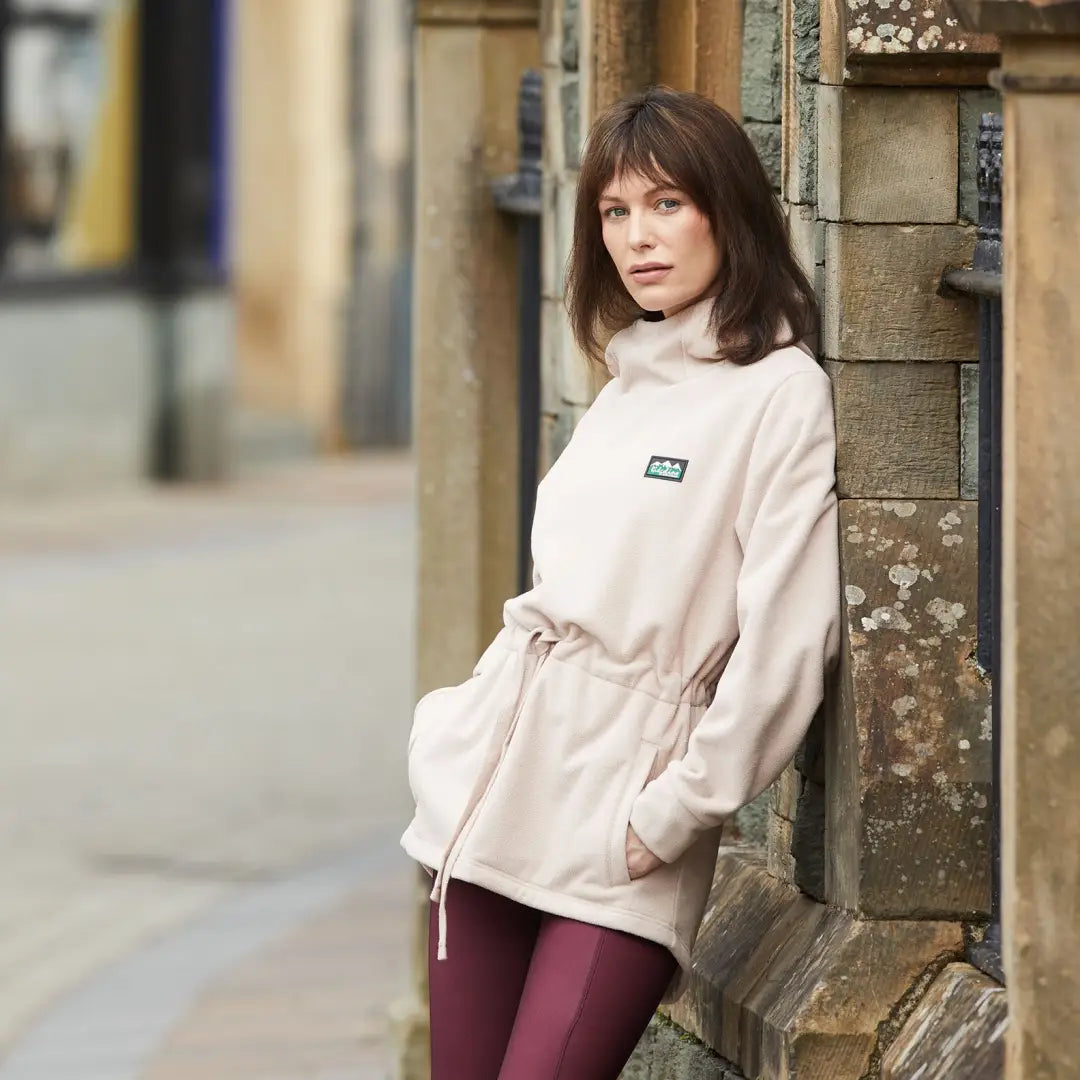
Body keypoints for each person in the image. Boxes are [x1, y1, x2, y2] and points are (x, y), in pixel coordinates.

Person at [401, 85, 841, 1080]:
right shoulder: (623, 384)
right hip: (490, 797)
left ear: (727, 211)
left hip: (623, 827)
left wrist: (678, 810)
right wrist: (450, 726)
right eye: (614, 211)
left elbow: (790, 639)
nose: (637, 237)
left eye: (667, 205)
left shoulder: (779, 393)